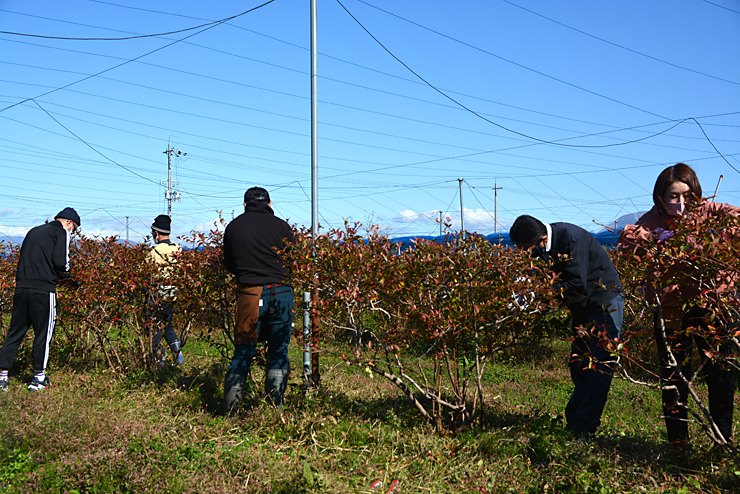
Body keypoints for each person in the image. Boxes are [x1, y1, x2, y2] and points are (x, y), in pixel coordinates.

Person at [619, 163, 737, 448]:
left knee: (721, 376)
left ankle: (722, 441)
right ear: (660, 197)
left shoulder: (710, 212)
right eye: (674, 196)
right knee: (674, 378)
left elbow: (736, 218)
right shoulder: (651, 221)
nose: (681, 203)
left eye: (688, 195)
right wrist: (657, 241)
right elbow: (627, 241)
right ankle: (678, 445)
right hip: (673, 311)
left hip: (715, 305)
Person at [510, 215, 624, 435]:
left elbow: (576, 283)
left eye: (529, 250)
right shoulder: (543, 246)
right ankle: (574, 422)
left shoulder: (572, 238)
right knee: (579, 365)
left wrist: (539, 294)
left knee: (600, 366)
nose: (528, 255)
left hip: (605, 302)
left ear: (543, 240)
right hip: (582, 307)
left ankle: (586, 428)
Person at [222, 187, 295, 414]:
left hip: (249, 295)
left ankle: (230, 411)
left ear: (245, 204)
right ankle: (276, 407)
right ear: (269, 204)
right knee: (279, 351)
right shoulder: (283, 227)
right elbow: (294, 260)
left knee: (243, 351)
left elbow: (229, 264)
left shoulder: (234, 227)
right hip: (282, 293)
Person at [0, 208, 80, 392]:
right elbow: (61, 262)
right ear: (69, 223)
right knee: (43, 334)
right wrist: (69, 278)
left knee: (15, 332)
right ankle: (39, 378)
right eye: (73, 229)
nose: (72, 233)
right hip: (44, 290)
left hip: (21, 288)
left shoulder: (34, 231)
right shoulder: (61, 232)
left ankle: (2, 377)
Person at [145, 214, 184, 366]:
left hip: (156, 293)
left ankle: (158, 361)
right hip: (172, 292)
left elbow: (146, 275)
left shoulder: (153, 253)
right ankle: (178, 357)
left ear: (156, 233)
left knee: (154, 327)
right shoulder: (178, 249)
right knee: (168, 325)